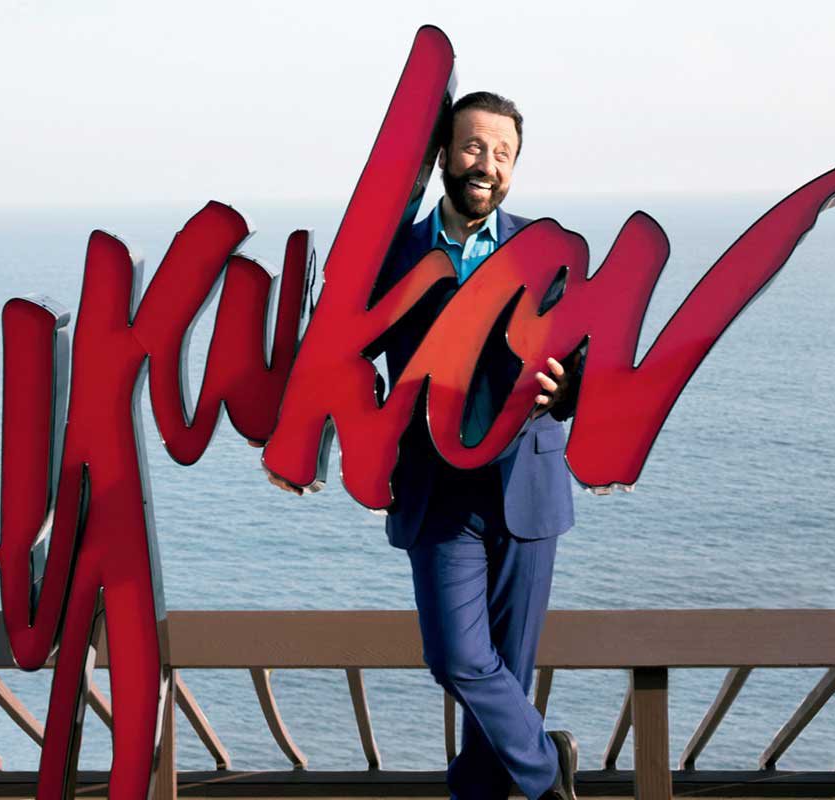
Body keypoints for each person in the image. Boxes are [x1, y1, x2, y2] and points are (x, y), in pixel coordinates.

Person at [270, 91, 581, 800]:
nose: (487, 165)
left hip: (525, 485)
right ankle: (546, 765)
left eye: (503, 155)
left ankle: (492, 783)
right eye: (474, 147)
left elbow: (584, 364)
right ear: (444, 153)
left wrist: (567, 391)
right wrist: (310, 440)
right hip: (438, 492)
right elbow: (343, 358)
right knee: (456, 658)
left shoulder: (546, 251)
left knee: (504, 674)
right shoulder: (397, 257)